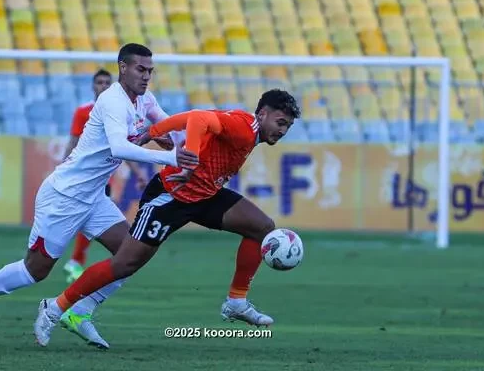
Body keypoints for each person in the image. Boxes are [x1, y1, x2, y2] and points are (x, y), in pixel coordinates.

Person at [0, 43, 197, 348]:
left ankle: (80, 311)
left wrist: (189, 144)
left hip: (93, 198)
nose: (146, 76)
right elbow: (119, 147)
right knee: (35, 270)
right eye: (140, 69)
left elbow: (168, 123)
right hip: (64, 196)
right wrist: (173, 159)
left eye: (150, 71)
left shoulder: (144, 99)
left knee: (132, 255)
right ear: (123, 67)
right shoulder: (112, 101)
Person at [33, 89, 301, 347]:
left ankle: (236, 301)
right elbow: (197, 118)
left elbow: (192, 116)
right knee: (125, 263)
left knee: (262, 227)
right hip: (171, 196)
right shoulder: (244, 128)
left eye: (287, 126)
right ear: (263, 113)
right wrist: (189, 160)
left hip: (205, 195)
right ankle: (55, 308)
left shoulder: (243, 126)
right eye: (280, 122)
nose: (282, 130)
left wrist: (152, 131)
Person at [63, 68, 148, 283]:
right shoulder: (83, 112)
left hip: (104, 179)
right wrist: (64, 166)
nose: (102, 86)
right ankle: (75, 261)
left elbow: (120, 146)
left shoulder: (117, 112)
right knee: (84, 218)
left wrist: (137, 172)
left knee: (89, 218)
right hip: (82, 177)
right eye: (99, 82)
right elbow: (73, 141)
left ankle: (76, 261)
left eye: (106, 83)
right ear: (93, 86)